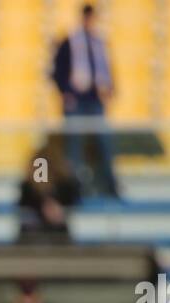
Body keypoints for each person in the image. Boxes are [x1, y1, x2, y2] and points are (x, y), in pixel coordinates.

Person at [51, 4, 119, 198]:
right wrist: (65, 92)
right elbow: (57, 69)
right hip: (76, 100)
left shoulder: (99, 42)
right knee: (74, 145)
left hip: (95, 99)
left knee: (104, 141)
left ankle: (110, 185)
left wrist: (111, 87)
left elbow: (106, 67)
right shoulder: (70, 41)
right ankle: (74, 187)